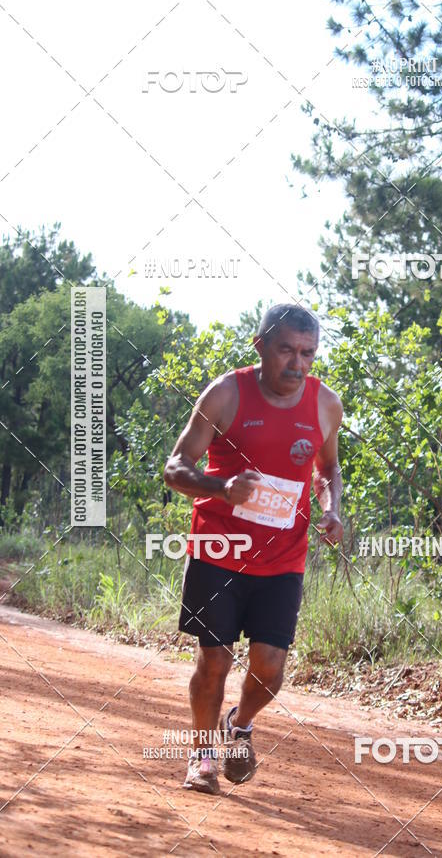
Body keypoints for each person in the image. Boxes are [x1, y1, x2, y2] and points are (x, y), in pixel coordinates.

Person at [163, 303, 344, 794]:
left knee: (269, 664)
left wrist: (332, 509)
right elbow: (175, 467)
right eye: (286, 349)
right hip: (219, 549)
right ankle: (201, 760)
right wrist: (220, 488)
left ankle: (239, 724)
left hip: (284, 557)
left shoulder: (326, 404)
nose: (298, 362)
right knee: (215, 660)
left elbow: (327, 470)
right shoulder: (226, 394)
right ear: (260, 345)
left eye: (308, 352)